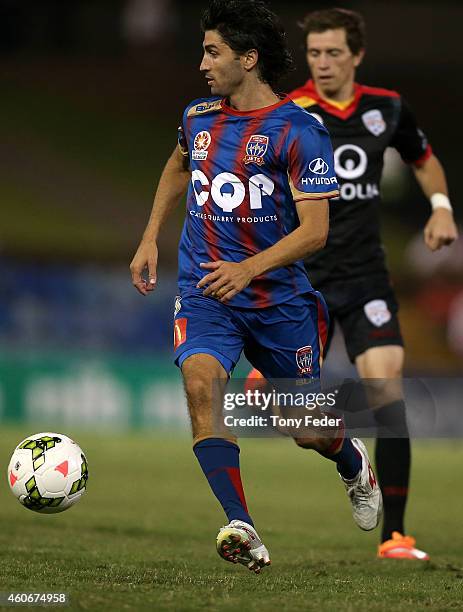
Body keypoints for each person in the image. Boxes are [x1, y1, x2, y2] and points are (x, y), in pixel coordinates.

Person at [130, 0, 382, 574]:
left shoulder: (299, 130)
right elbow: (177, 165)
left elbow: (316, 232)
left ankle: (351, 460)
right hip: (206, 288)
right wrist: (150, 237)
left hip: (277, 298)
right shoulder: (197, 117)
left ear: (249, 59)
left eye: (212, 51)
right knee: (201, 385)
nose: (202, 63)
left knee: (304, 429)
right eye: (203, 50)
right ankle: (241, 524)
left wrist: (249, 268)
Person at [253, 7, 457, 561]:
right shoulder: (289, 112)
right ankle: (351, 460)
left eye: (333, 53)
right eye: (314, 53)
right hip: (303, 280)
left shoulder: (386, 108)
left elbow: (424, 159)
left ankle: (396, 537)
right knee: (285, 417)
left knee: (388, 391)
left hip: (366, 276)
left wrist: (440, 207)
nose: (322, 63)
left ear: (357, 55)